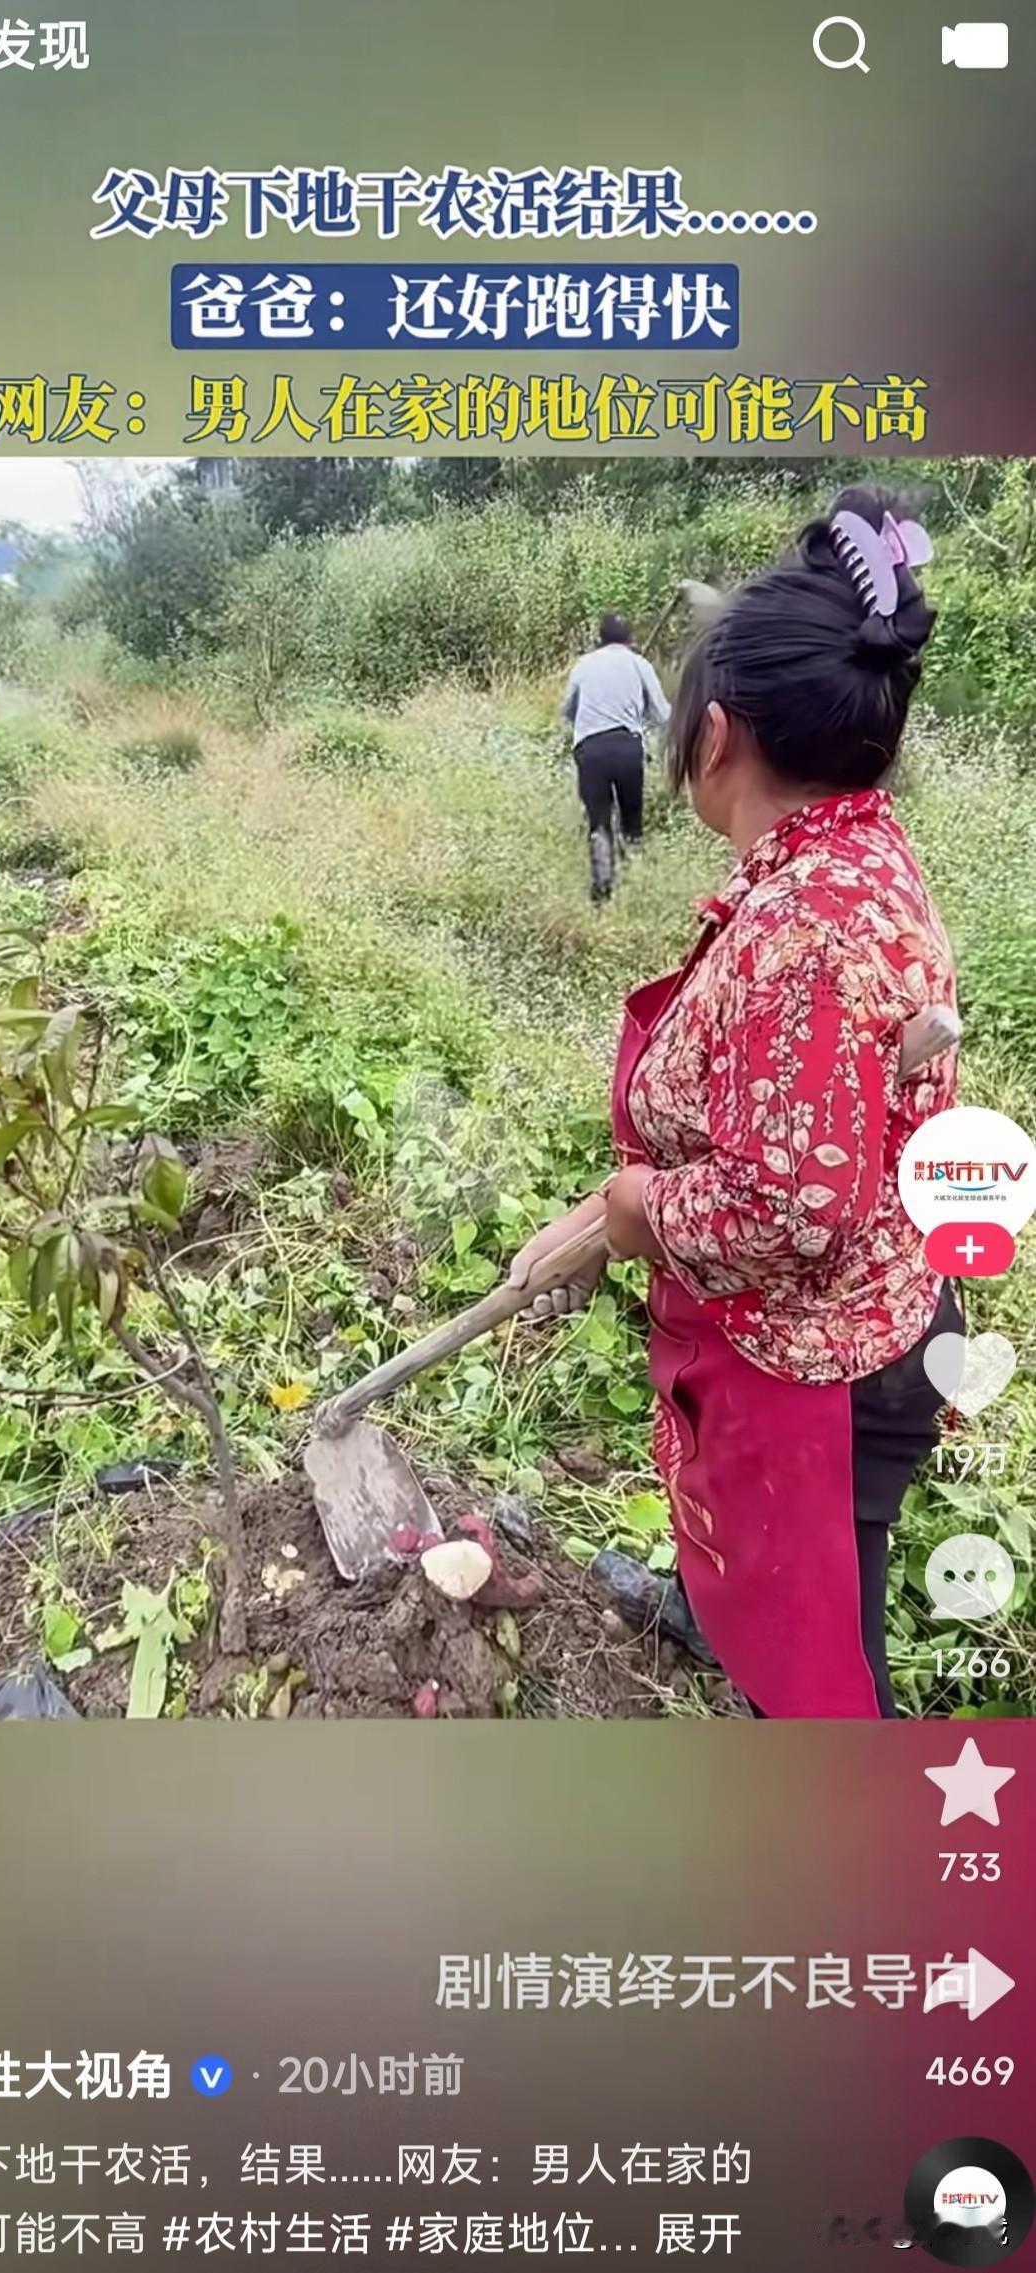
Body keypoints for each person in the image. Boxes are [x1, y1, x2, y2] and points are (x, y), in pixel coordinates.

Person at [514, 488, 960, 1720]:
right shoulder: (860, 850)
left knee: (819, 1672)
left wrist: (641, 1199)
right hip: (881, 1306)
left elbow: (791, 1203)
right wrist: (608, 1215)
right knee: (796, 1599)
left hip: (823, 1364)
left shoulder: (804, 929)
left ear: (712, 737)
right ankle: (724, 1622)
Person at [561, 611, 671, 901]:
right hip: (627, 748)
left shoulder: (584, 665)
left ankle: (602, 891)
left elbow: (567, 710)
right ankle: (635, 887)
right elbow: (662, 714)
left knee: (599, 822)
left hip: (591, 749)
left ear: (599, 639)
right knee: (632, 821)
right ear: (630, 638)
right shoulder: (639, 665)